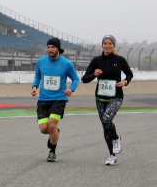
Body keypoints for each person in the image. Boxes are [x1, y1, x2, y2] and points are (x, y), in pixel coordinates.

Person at [81, 35, 133, 165]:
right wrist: (94, 74)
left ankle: (116, 138)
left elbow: (129, 74)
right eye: (105, 43)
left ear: (113, 45)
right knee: (105, 126)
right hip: (100, 97)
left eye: (110, 43)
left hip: (116, 96)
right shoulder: (96, 60)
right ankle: (112, 155)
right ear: (102, 45)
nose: (107, 45)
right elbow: (85, 79)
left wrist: (125, 82)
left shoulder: (120, 60)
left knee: (106, 119)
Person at [31, 37, 80, 162]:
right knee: (44, 129)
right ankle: (55, 133)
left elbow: (75, 79)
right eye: (48, 47)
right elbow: (37, 75)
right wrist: (34, 86)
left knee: (52, 125)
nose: (50, 49)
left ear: (58, 48)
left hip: (59, 98)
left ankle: (52, 151)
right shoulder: (41, 61)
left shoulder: (67, 63)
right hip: (43, 98)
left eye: (53, 47)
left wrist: (71, 89)